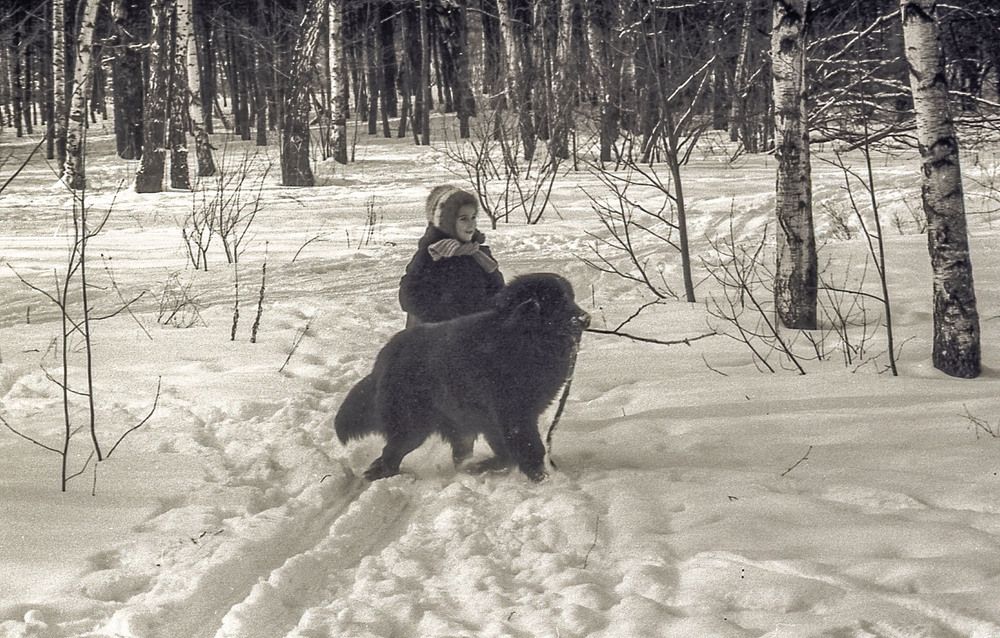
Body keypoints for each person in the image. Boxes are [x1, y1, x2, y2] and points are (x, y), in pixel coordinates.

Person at [399, 185, 504, 326]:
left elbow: (498, 291)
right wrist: (445, 319)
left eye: (473, 217)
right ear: (446, 222)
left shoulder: (479, 254)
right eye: (463, 219)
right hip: (437, 338)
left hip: (475, 335)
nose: (471, 224)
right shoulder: (432, 255)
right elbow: (409, 297)